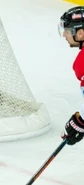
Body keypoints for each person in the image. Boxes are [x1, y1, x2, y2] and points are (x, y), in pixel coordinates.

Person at [59, 6, 84, 145]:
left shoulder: (82, 62)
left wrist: (80, 122)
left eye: (67, 31)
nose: (64, 35)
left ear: (80, 33)